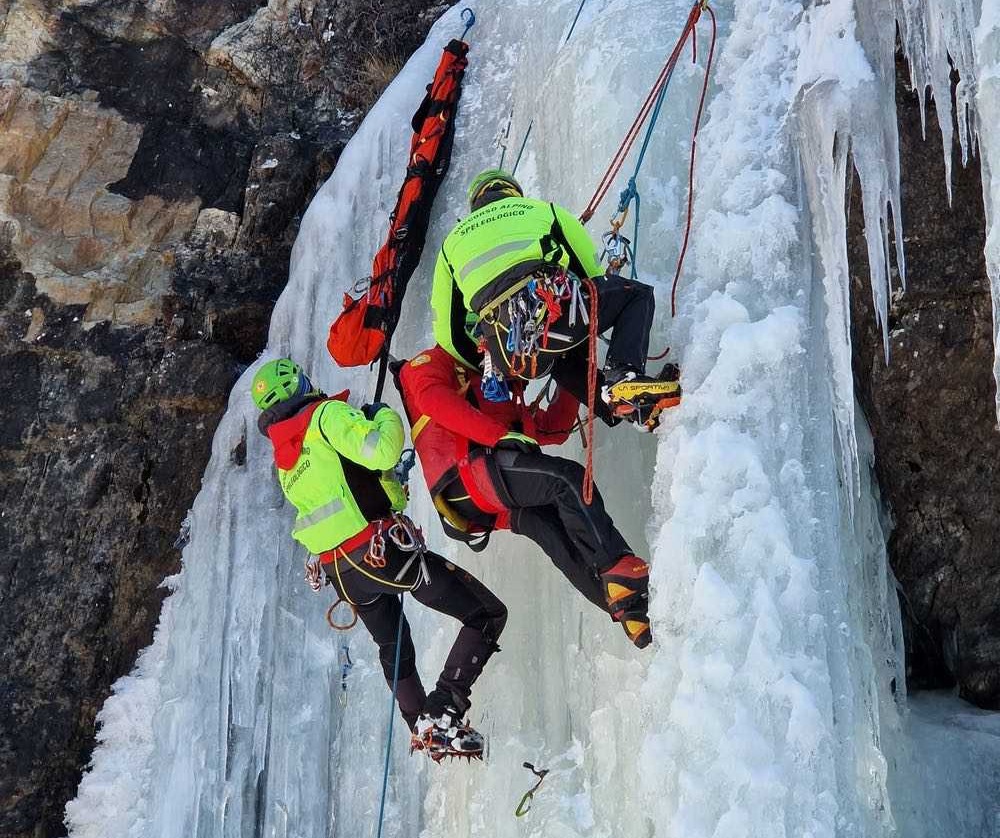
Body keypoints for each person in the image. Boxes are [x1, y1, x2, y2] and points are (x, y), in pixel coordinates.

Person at [252, 357, 507, 758]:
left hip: (343, 573)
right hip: (380, 553)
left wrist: (389, 485)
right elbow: (384, 450)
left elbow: (365, 491)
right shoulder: (325, 416)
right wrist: (384, 415)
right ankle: (443, 709)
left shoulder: (287, 460)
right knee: (486, 614)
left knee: (394, 643)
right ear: (300, 385)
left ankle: (421, 726)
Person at [395, 343, 654, 648]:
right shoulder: (433, 361)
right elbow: (432, 399)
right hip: (466, 474)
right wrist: (500, 436)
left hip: (481, 496)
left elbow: (554, 429)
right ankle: (617, 566)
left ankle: (631, 613)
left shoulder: (503, 391)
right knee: (566, 480)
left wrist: (569, 369)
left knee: (552, 529)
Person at [430, 168, 681, 432]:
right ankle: (622, 376)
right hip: (550, 314)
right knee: (634, 295)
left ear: (475, 203)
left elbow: (447, 334)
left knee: (562, 360)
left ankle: (626, 409)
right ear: (512, 192)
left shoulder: (451, 244)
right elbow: (591, 274)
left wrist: (482, 366)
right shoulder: (541, 210)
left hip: (507, 352)